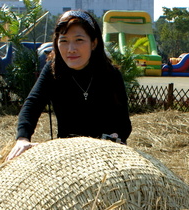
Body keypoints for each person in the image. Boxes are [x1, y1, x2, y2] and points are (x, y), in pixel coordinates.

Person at [8, 10, 132, 160]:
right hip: (67, 152)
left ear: (94, 43)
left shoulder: (111, 74)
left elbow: (123, 122)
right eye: (64, 41)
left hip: (105, 151)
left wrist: (112, 139)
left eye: (79, 40)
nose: (71, 49)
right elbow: (33, 103)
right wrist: (23, 138)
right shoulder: (52, 70)